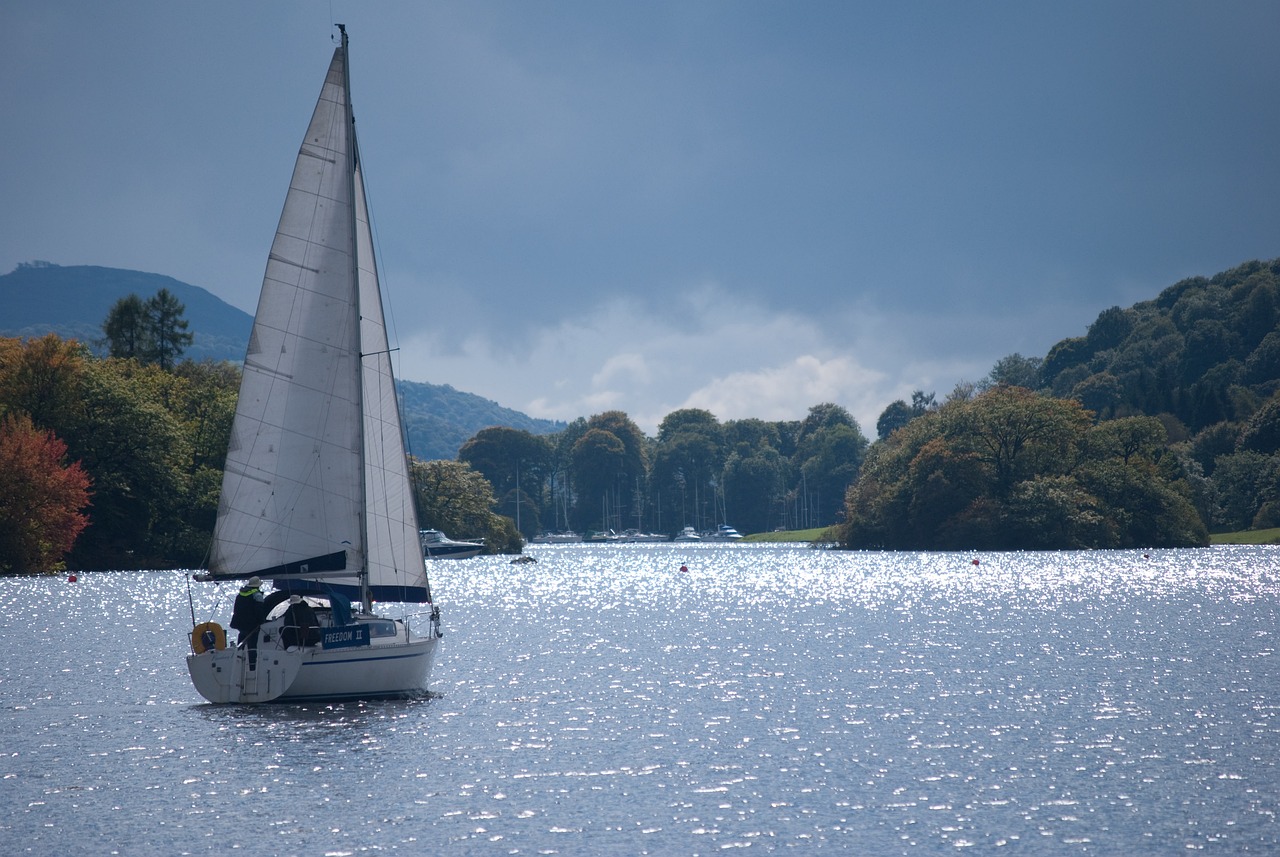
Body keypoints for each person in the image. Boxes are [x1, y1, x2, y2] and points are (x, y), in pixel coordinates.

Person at [229, 576, 267, 668]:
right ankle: (252, 666)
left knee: (241, 643)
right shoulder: (257, 595)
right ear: (257, 586)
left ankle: (238, 664)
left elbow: (236, 610)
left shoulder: (241, 594)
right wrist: (262, 621)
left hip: (240, 624)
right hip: (252, 625)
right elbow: (259, 610)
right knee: (252, 646)